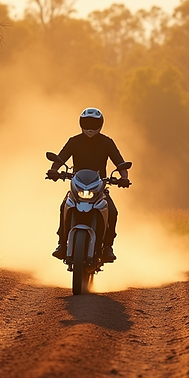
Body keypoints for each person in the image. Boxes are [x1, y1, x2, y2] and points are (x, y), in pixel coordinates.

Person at [47, 107, 131, 262]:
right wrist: (53, 171)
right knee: (64, 206)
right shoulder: (74, 141)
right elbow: (60, 158)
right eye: (87, 122)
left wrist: (124, 177)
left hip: (99, 188)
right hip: (77, 186)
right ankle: (61, 245)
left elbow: (120, 163)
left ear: (101, 124)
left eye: (94, 123)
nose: (90, 127)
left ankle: (107, 247)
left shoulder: (107, 143)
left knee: (112, 212)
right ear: (80, 123)